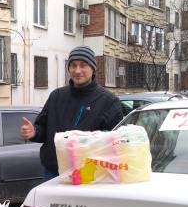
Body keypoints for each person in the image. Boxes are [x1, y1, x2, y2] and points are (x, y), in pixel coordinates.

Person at [20, 46, 124, 180]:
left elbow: (114, 142)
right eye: (73, 65)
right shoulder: (57, 96)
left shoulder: (108, 101)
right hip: (54, 173)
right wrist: (33, 132)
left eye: (83, 65)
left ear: (93, 69)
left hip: (89, 174)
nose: (77, 70)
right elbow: (42, 129)